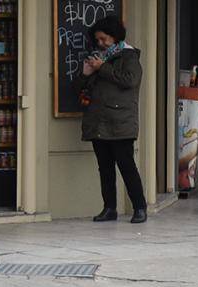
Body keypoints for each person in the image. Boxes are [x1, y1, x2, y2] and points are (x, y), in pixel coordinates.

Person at [73, 15, 148, 224]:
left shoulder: (129, 57)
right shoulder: (97, 58)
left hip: (120, 121)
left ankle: (140, 206)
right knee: (104, 167)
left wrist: (102, 68)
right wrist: (85, 73)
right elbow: (79, 89)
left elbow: (130, 80)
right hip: (98, 121)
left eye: (104, 39)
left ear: (115, 37)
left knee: (126, 165)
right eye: (97, 40)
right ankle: (109, 208)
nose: (100, 43)